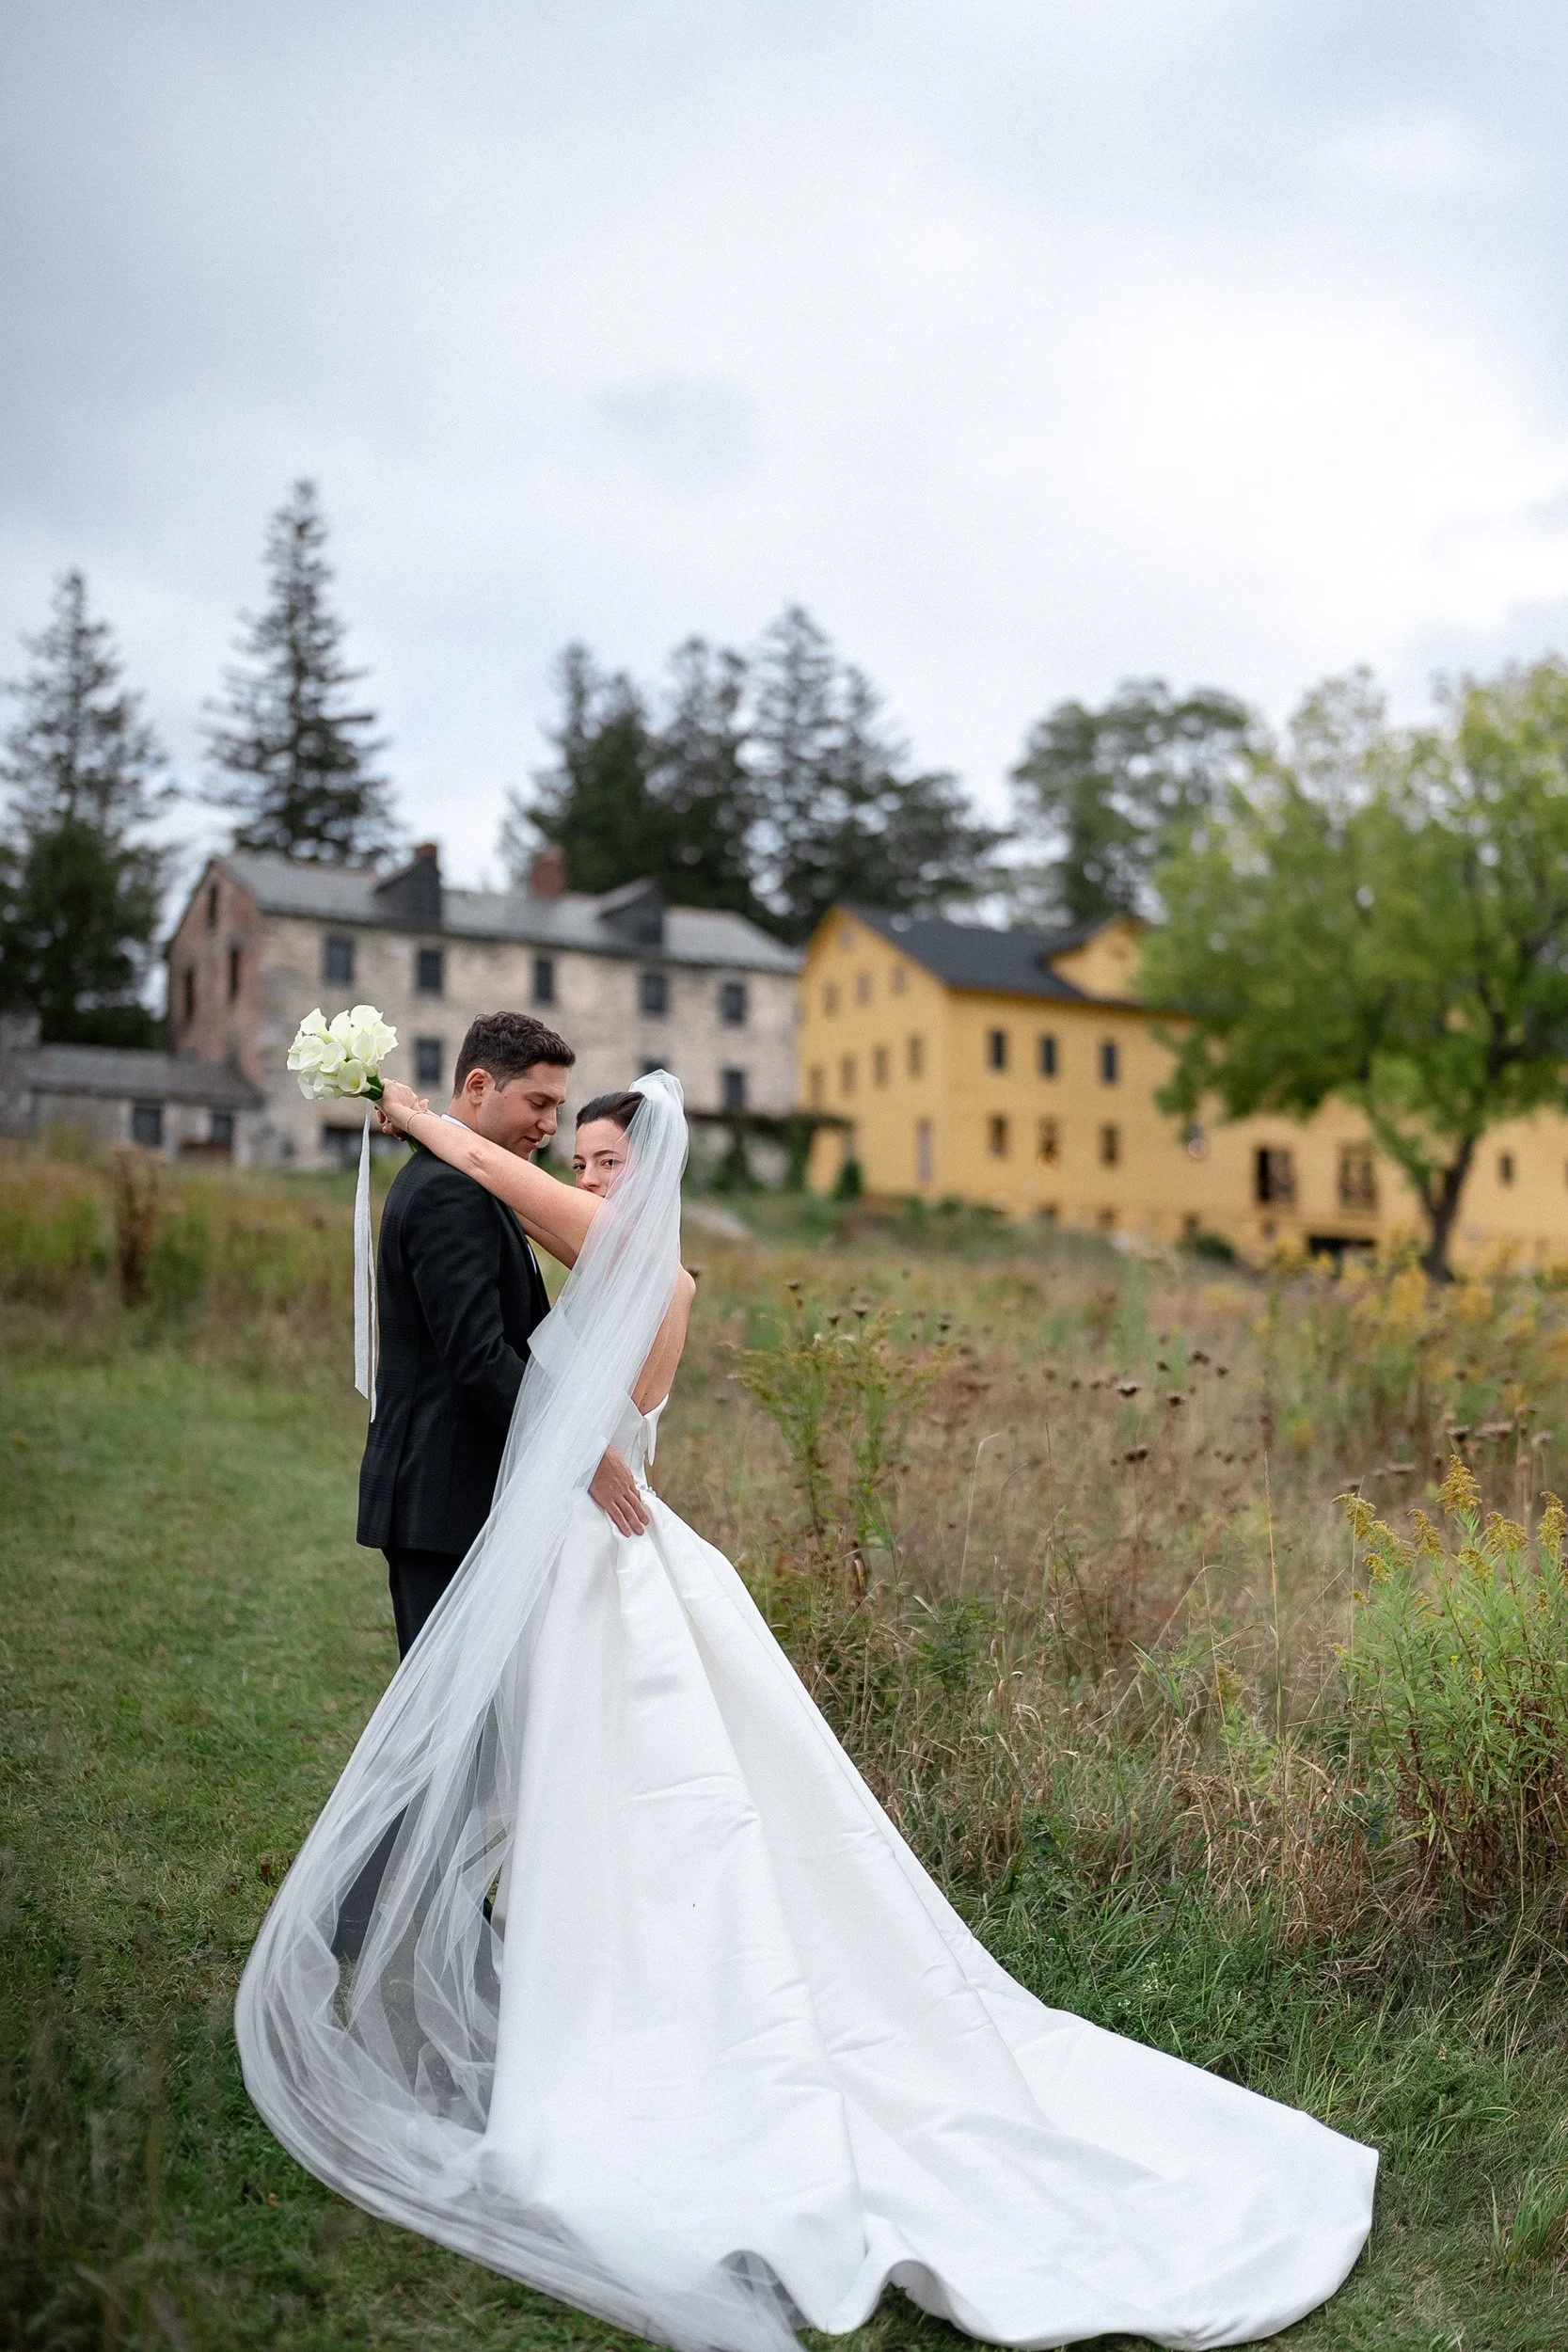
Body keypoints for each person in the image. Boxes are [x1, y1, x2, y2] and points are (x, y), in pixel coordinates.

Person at [237, 1072, 1376, 2352]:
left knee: (644, 1809)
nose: (587, 1174)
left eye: (606, 1156)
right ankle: (564, 1992)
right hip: (583, 1553)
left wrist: (414, 1111)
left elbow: (511, 1220)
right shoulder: (629, 1252)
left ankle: (623, 2045)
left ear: (645, 1172)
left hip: (601, 1554)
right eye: (583, 1156)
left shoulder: (639, 1260)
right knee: (596, 1810)